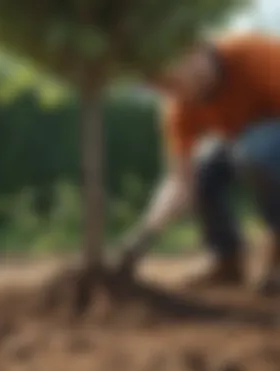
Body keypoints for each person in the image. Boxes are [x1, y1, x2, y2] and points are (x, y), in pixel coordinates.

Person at [118, 32, 280, 294]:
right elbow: (180, 181)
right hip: (245, 139)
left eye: (169, 80)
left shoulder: (256, 56)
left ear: (195, 50)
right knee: (203, 170)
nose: (168, 90)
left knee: (256, 151)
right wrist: (142, 237)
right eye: (160, 86)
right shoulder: (179, 106)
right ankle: (227, 261)